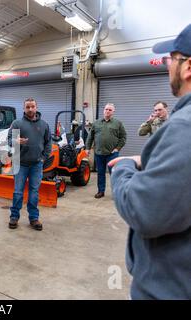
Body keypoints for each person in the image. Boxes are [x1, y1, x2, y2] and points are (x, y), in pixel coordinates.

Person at [108, 24, 191, 300]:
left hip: (167, 288)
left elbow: (146, 210)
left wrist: (123, 168)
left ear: (187, 67)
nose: (167, 66)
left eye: (171, 60)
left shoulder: (183, 126)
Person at [7, 98, 51, 230]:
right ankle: (14, 217)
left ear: (36, 107)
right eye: (27, 107)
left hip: (36, 164)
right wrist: (16, 140)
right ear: (24, 108)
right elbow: (9, 140)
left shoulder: (44, 124)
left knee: (34, 192)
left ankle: (34, 218)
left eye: (32, 106)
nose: (30, 109)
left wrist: (44, 158)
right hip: (20, 164)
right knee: (18, 192)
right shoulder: (17, 123)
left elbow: (48, 142)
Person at [85, 103, 126, 198]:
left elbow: (123, 137)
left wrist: (117, 148)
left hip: (112, 154)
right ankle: (101, 191)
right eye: (106, 109)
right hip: (99, 153)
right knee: (100, 173)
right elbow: (90, 137)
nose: (107, 111)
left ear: (113, 112)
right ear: (103, 110)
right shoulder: (96, 123)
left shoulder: (118, 123)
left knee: (114, 174)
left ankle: (116, 193)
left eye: (110, 110)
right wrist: (87, 148)